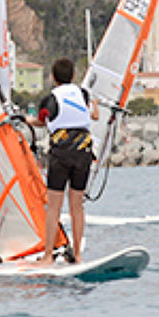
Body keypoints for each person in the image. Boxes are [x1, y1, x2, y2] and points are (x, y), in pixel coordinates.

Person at [36, 57, 98, 262]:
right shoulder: (83, 94)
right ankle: (78, 254)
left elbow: (41, 121)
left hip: (61, 155)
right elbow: (94, 116)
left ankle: (47, 257)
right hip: (83, 153)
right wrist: (95, 105)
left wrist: (22, 121)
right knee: (77, 206)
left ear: (53, 77)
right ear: (73, 76)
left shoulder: (50, 99)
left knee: (54, 207)